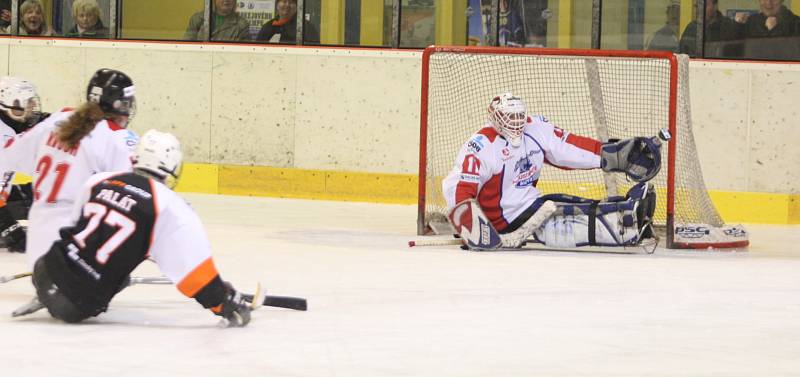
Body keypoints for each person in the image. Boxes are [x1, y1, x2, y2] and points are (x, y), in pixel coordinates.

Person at [24, 130, 253, 326]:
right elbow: (196, 275)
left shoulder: (100, 180)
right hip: (77, 304)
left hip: (44, 270)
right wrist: (223, 300)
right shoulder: (170, 206)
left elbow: (73, 228)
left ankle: (48, 293)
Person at [442, 93, 660, 250]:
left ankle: (627, 211)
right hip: (503, 220)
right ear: (494, 118)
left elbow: (566, 147)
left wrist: (609, 155)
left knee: (570, 202)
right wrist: (471, 226)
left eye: (519, 117)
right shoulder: (482, 145)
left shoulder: (534, 127)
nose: (516, 123)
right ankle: (626, 221)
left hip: (529, 203)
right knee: (571, 217)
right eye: (509, 118)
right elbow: (460, 187)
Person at [0, 68, 135, 268]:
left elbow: (9, 154)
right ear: (117, 105)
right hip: (76, 248)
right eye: (126, 103)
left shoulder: (59, 119)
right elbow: (138, 195)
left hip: (37, 248)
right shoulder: (118, 138)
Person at [0, 76, 45, 253]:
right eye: (28, 103)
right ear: (13, 105)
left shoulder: (7, 127)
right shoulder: (4, 138)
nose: (32, 108)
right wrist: (12, 231)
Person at [678, 0, 744, 58]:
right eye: (697, 6)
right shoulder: (691, 28)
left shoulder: (731, 28)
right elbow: (682, 55)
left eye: (704, 6)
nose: (699, 9)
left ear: (715, 6)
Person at [184, 0, 250, 42]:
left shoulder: (242, 24)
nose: (226, 0)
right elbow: (187, 44)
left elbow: (243, 53)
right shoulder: (198, 19)